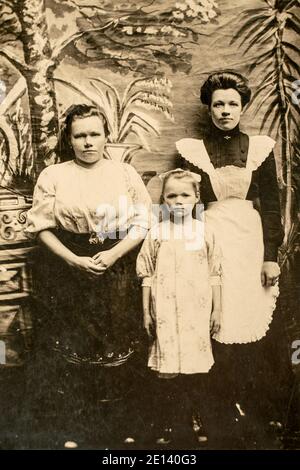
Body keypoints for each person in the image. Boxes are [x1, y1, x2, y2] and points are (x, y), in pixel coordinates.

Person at [24, 104, 152, 447]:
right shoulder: (54, 175)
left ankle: (121, 429)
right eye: (80, 135)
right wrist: (73, 260)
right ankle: (76, 430)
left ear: (106, 135)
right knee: (73, 346)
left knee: (118, 342)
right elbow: (41, 228)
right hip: (68, 269)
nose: (88, 142)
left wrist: (112, 255)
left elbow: (142, 224)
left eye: (95, 134)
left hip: (118, 264)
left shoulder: (125, 174)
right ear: (69, 138)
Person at [176, 71, 291, 448]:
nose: (225, 111)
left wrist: (271, 257)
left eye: (232, 104)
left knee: (252, 323)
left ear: (243, 108)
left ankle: (253, 410)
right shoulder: (192, 150)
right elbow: (186, 207)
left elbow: (272, 206)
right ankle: (214, 410)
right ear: (208, 108)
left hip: (250, 243)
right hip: (210, 240)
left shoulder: (259, 148)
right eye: (218, 104)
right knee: (214, 322)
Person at [136, 169, 222, 447]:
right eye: (171, 196)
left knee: (195, 370)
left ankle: (197, 418)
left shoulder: (205, 231)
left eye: (185, 195)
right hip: (165, 313)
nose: (179, 201)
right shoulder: (157, 232)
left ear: (197, 198)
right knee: (168, 369)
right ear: (163, 201)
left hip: (195, 312)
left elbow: (215, 274)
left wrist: (216, 310)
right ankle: (169, 422)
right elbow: (146, 274)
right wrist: (146, 312)